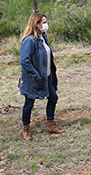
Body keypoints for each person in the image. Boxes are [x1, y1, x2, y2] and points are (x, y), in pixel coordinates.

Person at [19, 12, 64, 141]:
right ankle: (26, 128)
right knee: (29, 103)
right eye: (43, 23)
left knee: (53, 97)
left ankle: (50, 124)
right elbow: (24, 61)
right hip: (34, 78)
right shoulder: (29, 40)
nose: (46, 25)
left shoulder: (43, 37)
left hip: (46, 77)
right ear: (36, 24)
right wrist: (35, 75)